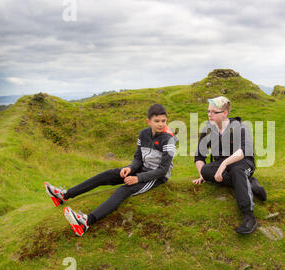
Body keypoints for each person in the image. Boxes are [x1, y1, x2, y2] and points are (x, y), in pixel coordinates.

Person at [44, 104, 178, 237]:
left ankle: (86, 222)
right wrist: (129, 168)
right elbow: (138, 158)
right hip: (142, 169)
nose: (161, 124)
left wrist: (138, 178)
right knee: (108, 174)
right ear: (148, 121)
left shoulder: (168, 140)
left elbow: (163, 170)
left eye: (163, 121)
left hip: (156, 177)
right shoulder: (143, 134)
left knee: (123, 190)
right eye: (157, 121)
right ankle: (64, 195)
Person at [193, 96, 267, 235]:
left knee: (237, 170)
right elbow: (199, 156)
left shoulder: (240, 127)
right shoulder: (208, 129)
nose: (209, 114)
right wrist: (201, 174)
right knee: (206, 170)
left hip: (243, 162)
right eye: (208, 111)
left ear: (225, 113)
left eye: (214, 112)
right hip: (222, 165)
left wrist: (225, 163)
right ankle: (250, 184)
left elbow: (243, 151)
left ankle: (249, 216)